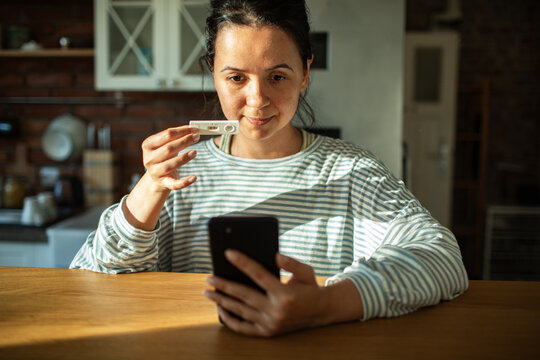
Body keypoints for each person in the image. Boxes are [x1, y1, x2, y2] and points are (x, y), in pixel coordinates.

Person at [71, 0, 469, 337]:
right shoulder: (178, 174)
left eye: (277, 76)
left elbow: (442, 257)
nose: (257, 99)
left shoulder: (352, 172)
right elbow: (88, 276)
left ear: (305, 74)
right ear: (213, 72)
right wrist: (149, 189)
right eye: (236, 78)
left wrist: (325, 304)